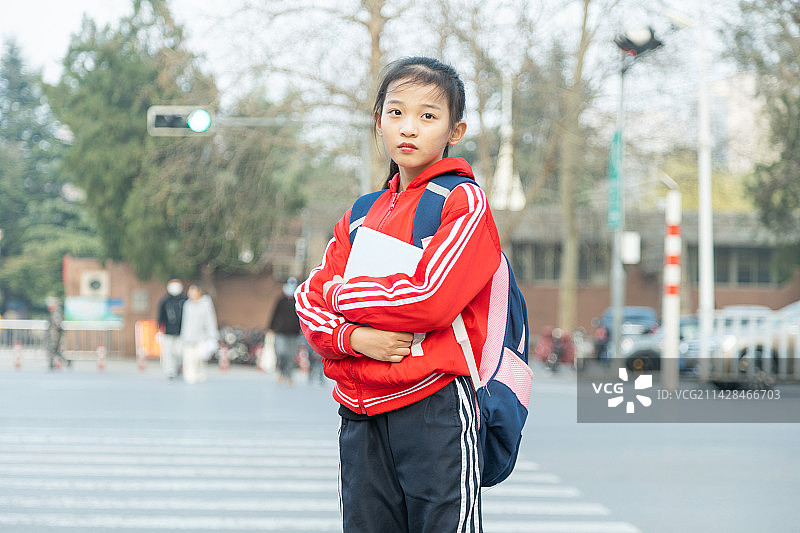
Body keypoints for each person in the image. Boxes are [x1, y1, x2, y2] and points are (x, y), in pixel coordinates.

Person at [295, 56, 501, 532]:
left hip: (434, 408)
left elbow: (431, 298)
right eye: (396, 113)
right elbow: (308, 302)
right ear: (378, 122)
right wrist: (354, 339)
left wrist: (344, 298)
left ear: (456, 129)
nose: (409, 128)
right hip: (359, 412)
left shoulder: (462, 202)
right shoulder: (362, 214)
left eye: (428, 116)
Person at [180, 283, 219, 384]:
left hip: (201, 337)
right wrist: (183, 336)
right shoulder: (187, 304)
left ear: (199, 292)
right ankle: (190, 376)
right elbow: (185, 322)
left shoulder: (205, 304)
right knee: (189, 358)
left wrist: (212, 335)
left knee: (199, 357)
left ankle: (200, 374)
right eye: (190, 291)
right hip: (188, 337)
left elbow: (210, 320)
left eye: (193, 290)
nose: (190, 293)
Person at [268, 277, 302, 386]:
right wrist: (271, 327)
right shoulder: (280, 301)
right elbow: (274, 314)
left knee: (290, 355)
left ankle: (289, 375)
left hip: (294, 333)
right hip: (280, 331)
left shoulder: (298, 302)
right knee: (281, 352)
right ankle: (282, 371)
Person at [156, 277, 187, 380]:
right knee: (168, 352)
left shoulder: (185, 300)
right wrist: (159, 329)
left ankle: (178, 366)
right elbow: (161, 317)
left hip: (182, 332)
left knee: (179, 351)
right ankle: (170, 371)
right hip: (168, 332)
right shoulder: (165, 301)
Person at [45, 296, 70, 370]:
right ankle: (54, 363)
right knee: (53, 350)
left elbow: (57, 323)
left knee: (52, 349)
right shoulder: (55, 312)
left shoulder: (56, 312)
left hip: (55, 334)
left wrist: (56, 329)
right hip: (53, 333)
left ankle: (52, 363)